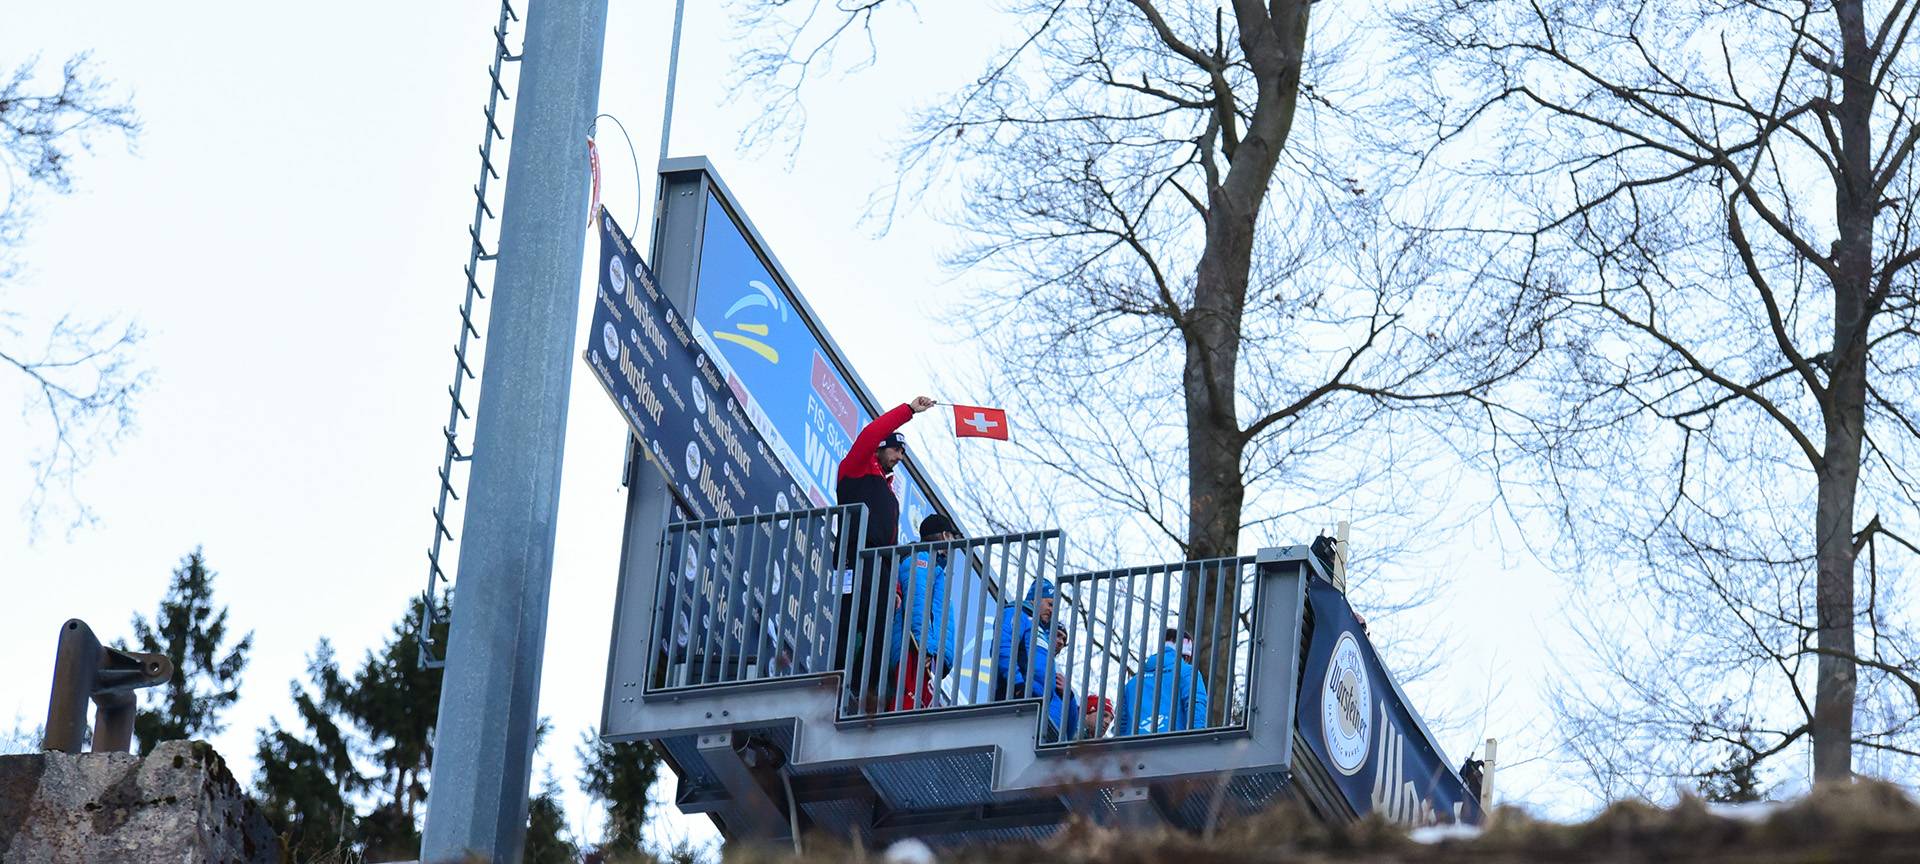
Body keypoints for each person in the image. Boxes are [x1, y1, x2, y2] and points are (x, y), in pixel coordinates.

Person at [834, 395, 935, 706]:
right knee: (848, 622)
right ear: (880, 447)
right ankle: (836, 680)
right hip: (855, 560)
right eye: (896, 448)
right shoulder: (855, 468)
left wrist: (895, 587)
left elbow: (890, 541)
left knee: (876, 630)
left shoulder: (888, 491)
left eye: (903, 452)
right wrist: (908, 411)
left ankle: (864, 694)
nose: (900, 456)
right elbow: (869, 433)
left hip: (880, 570)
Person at [887, 513, 963, 709]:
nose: (953, 544)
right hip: (914, 650)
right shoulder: (920, 558)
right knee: (906, 706)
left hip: (926, 653)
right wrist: (924, 648)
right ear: (944, 535)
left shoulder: (935, 567)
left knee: (919, 706)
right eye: (952, 537)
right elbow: (917, 603)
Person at [993, 578, 1080, 740]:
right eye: (1050, 604)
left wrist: (1067, 697)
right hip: (1021, 703)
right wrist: (1018, 686)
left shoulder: (1040, 631)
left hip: (1041, 710)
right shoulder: (1018, 614)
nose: (1053, 611)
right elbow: (1003, 647)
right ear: (1035, 599)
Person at [1116, 628, 1210, 736]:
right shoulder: (1187, 672)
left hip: (1135, 748)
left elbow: (1121, 724)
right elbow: (1196, 706)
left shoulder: (1133, 683)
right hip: (1172, 745)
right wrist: (1197, 739)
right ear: (1187, 656)